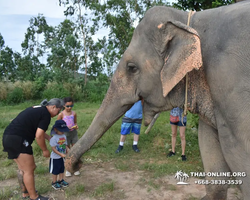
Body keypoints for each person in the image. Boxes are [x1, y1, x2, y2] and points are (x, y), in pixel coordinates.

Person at [2, 98, 64, 200]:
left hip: (8, 138)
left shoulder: (39, 109)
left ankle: (25, 193)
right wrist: (45, 150)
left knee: (23, 168)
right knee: (29, 169)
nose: (58, 113)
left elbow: (35, 127)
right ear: (53, 107)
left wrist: (48, 137)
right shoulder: (46, 115)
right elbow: (38, 135)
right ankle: (34, 197)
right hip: (19, 140)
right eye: (59, 110)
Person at [57, 97, 80, 177]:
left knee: (75, 149)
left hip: (73, 133)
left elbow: (75, 122)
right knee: (67, 150)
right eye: (67, 106)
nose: (69, 108)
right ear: (64, 105)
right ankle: (68, 168)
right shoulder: (61, 115)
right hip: (65, 134)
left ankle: (76, 168)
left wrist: (76, 126)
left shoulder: (74, 113)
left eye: (71, 106)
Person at [49, 120, 70, 190]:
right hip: (55, 158)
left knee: (61, 169)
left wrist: (68, 150)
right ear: (55, 129)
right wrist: (60, 154)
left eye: (64, 130)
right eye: (61, 130)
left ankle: (60, 180)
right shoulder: (54, 138)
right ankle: (54, 182)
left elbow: (65, 145)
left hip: (62, 157)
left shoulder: (64, 136)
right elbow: (53, 149)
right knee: (55, 171)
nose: (63, 131)